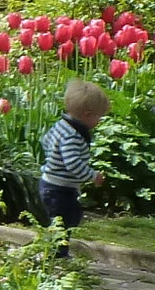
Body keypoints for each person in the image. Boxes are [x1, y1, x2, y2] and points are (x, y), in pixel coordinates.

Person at [38, 79, 110, 230]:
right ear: (88, 115)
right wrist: (92, 175)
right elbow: (73, 163)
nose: (100, 121)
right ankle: (58, 253)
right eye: (99, 117)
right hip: (60, 188)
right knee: (66, 220)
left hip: (50, 183)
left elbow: (45, 141)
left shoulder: (61, 125)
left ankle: (52, 248)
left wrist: (53, 157)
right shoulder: (72, 136)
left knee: (59, 219)